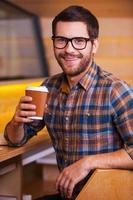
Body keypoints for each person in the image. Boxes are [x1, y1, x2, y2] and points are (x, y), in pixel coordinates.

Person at [4, 5, 133, 200]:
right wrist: (17, 122)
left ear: (94, 45)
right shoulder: (48, 88)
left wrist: (87, 163)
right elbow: (17, 140)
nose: (69, 49)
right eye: (61, 40)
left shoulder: (115, 90)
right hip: (67, 196)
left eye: (79, 41)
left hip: (106, 194)